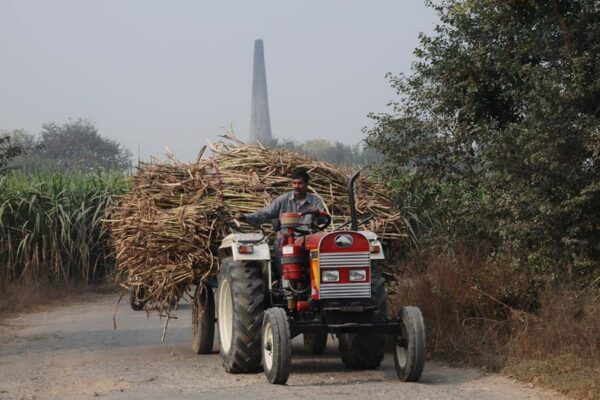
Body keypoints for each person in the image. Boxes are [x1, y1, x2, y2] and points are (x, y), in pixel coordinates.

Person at [234, 168, 327, 231]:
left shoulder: (315, 201)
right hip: (286, 239)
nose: (296, 186)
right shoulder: (284, 199)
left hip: (308, 239)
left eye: (300, 183)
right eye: (294, 183)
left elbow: (325, 219)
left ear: (307, 184)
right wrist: (245, 217)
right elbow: (265, 213)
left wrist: (318, 214)